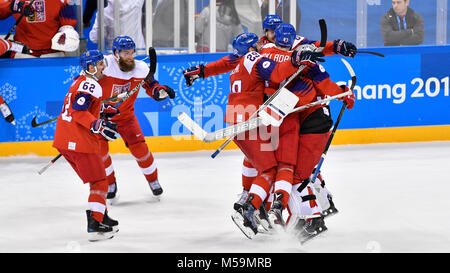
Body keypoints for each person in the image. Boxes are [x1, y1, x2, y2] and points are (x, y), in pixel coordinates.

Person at [97, 35, 175, 203]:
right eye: (126, 53)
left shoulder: (140, 68)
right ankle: (110, 184)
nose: (130, 56)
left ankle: (153, 180)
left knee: (140, 149)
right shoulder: (103, 65)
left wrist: (159, 92)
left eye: (132, 52)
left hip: (125, 117)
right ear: (116, 53)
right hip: (102, 118)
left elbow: (151, 86)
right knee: (100, 153)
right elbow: (85, 82)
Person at [52, 50, 120, 242]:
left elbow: (81, 106)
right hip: (79, 141)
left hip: (64, 141)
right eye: (99, 64)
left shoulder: (79, 81)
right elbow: (79, 112)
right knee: (100, 181)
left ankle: (102, 215)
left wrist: (100, 110)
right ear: (90, 67)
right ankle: (95, 224)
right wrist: (96, 124)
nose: (103, 67)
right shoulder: (92, 84)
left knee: (96, 179)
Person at [0, 0, 79, 58]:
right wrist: (11, 5)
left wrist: (68, 32)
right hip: (23, 52)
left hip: (53, 53)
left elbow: (67, 21)